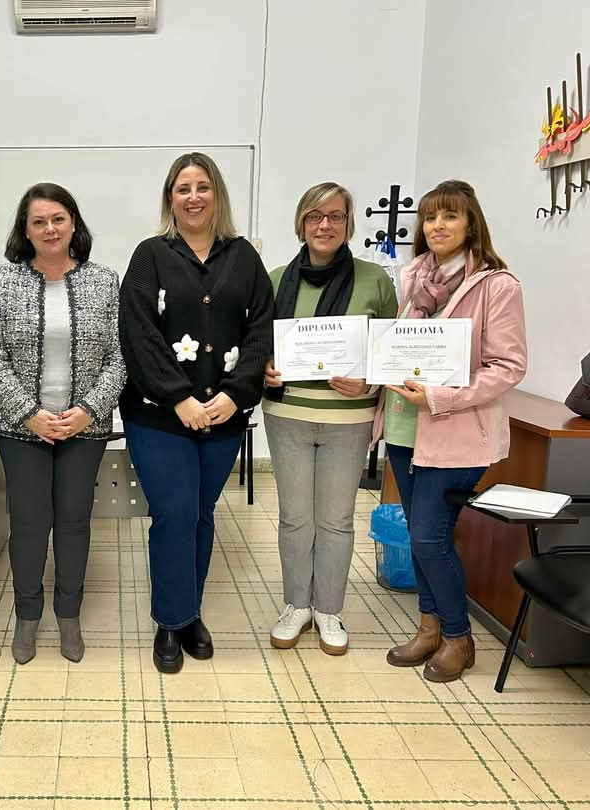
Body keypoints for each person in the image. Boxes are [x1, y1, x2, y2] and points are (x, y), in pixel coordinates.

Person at [119, 152, 273, 674]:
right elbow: (138, 336)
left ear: (217, 194)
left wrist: (235, 394)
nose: (193, 197)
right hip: (159, 416)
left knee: (203, 516)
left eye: (202, 186)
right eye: (182, 188)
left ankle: (190, 615)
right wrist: (179, 397)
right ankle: (170, 619)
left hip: (224, 415)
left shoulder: (244, 258)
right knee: (175, 515)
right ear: (170, 198)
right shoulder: (149, 256)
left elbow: (260, 331)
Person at [376, 180, 526, 682]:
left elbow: (509, 366)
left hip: (455, 431)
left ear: (471, 224)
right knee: (421, 538)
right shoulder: (414, 280)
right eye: (430, 217)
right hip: (403, 426)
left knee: (429, 537)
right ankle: (428, 627)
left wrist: (443, 396)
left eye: (449, 217)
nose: (437, 227)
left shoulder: (496, 285)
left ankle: (459, 638)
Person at [0, 184, 126, 664]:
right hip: (22, 429)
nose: (49, 229)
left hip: (86, 426)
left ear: (74, 224)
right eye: (39, 221)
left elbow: (120, 358)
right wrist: (30, 413)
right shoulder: (2, 281)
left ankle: (68, 615)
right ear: (25, 229)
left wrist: (88, 409)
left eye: (58, 219)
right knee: (28, 523)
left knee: (74, 521)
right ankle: (26, 617)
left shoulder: (105, 280)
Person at [263, 182, 398, 655]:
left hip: (348, 418)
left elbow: (390, 350)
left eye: (336, 217)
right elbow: (261, 340)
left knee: (337, 520)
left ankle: (329, 610)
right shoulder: (278, 277)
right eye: (316, 216)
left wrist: (369, 383)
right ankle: (296, 604)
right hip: (288, 414)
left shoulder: (374, 280)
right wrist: (264, 366)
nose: (325, 225)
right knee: (296, 517)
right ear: (302, 221)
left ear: (348, 225)